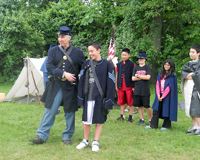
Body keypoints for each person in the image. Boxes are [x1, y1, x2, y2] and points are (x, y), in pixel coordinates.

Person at [29, 26, 85, 145]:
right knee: (50, 109)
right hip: (56, 85)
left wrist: (80, 76)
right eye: (59, 37)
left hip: (71, 86)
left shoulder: (78, 53)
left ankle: (67, 136)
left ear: (69, 37)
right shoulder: (53, 51)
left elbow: (83, 68)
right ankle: (42, 136)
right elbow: (49, 67)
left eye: (63, 37)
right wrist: (64, 73)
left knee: (70, 112)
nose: (60, 39)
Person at [76, 41, 115, 152]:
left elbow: (111, 83)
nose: (90, 53)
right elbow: (81, 80)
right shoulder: (86, 63)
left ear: (99, 50)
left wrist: (108, 100)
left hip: (100, 98)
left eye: (92, 51)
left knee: (99, 120)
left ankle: (96, 142)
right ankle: (86, 141)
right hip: (88, 96)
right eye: (89, 51)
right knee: (86, 121)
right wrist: (80, 98)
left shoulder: (107, 65)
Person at [145, 59, 178, 130]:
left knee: (167, 109)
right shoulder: (160, 73)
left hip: (168, 96)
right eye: (165, 64)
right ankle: (153, 125)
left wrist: (163, 96)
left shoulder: (172, 75)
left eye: (168, 65)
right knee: (156, 109)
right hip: (159, 94)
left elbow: (169, 87)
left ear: (171, 66)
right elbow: (157, 83)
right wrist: (158, 95)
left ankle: (166, 125)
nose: (166, 66)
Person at [181, 44, 200, 135]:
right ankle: (195, 126)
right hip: (189, 88)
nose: (191, 54)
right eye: (190, 52)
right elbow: (184, 75)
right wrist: (193, 75)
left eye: (193, 52)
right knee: (189, 108)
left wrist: (191, 75)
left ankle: (199, 127)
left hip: (197, 89)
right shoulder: (188, 64)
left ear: (198, 53)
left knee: (195, 108)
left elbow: (198, 75)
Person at [115, 48, 135, 122]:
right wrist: (116, 85)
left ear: (129, 55)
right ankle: (122, 115)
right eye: (122, 55)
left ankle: (130, 116)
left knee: (130, 101)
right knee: (121, 101)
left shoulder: (132, 64)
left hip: (129, 86)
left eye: (125, 55)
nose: (123, 56)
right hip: (120, 86)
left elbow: (134, 75)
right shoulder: (119, 64)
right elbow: (117, 74)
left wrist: (134, 86)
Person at [132, 51, 152, 125]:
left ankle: (151, 120)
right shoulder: (135, 68)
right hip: (137, 89)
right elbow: (133, 78)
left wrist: (138, 76)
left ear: (145, 59)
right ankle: (141, 119)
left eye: (142, 58)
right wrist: (142, 77)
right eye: (139, 59)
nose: (140, 60)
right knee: (140, 105)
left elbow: (148, 77)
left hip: (145, 90)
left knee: (147, 105)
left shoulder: (147, 67)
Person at [40, 44, 60, 115]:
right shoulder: (49, 58)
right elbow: (48, 71)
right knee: (51, 95)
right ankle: (55, 110)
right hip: (49, 80)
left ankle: (55, 110)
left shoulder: (53, 58)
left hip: (51, 79)